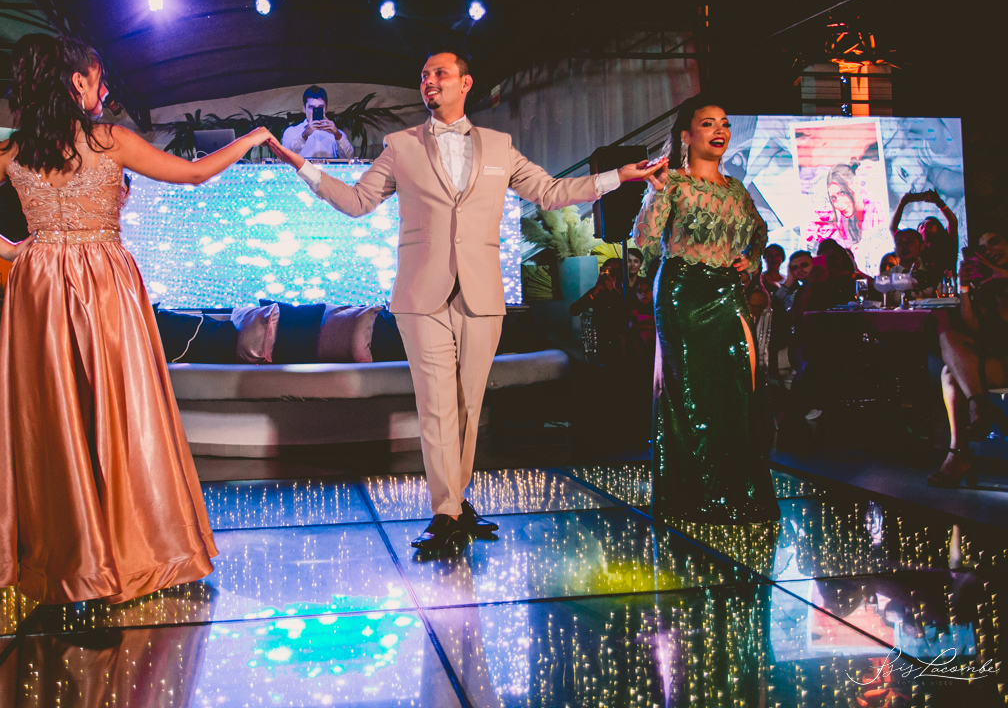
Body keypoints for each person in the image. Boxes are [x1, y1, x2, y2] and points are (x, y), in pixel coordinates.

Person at [269, 47, 667, 551]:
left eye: (439, 73)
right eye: (423, 75)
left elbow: (549, 191)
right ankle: (446, 512)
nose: (429, 81)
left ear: (465, 83)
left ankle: (455, 500)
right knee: (436, 404)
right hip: (421, 295)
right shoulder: (400, 145)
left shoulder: (500, 146)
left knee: (467, 404)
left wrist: (617, 177)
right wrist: (300, 164)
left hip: (481, 293)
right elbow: (357, 201)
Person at [0, 34, 276, 604]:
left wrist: (14, 251)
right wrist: (253, 137)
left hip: (40, 283)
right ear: (77, 82)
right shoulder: (108, 140)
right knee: (120, 405)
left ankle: (70, 554)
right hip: (103, 281)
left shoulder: (16, 150)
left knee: (54, 410)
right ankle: (131, 548)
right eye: (98, 78)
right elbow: (192, 174)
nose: (105, 88)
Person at [633, 94, 780, 524]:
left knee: (739, 385)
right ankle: (695, 496)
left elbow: (759, 234)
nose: (720, 131)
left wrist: (751, 262)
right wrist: (655, 191)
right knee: (691, 393)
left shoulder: (736, 190)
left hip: (727, 292)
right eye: (708, 123)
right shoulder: (674, 183)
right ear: (686, 135)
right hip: (682, 292)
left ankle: (740, 491)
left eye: (725, 123)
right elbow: (644, 239)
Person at [928, 228, 1008, 487]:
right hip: (994, 360)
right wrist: (964, 288)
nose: (989, 251)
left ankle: (959, 455)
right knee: (949, 341)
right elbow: (972, 327)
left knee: (950, 374)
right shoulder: (987, 285)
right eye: (982, 249)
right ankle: (978, 404)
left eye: (994, 242)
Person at [891, 189, 958, 273]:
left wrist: (939, 202)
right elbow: (893, 229)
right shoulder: (913, 250)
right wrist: (902, 203)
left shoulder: (946, 244)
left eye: (931, 224)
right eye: (922, 224)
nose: (925, 224)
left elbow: (952, 222)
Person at [279, 85, 355, 159]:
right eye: (311, 107)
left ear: (326, 109)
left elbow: (349, 158)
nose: (315, 111)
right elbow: (284, 158)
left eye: (320, 107)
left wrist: (337, 135)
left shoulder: (336, 133)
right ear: (304, 108)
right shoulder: (292, 132)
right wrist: (304, 136)